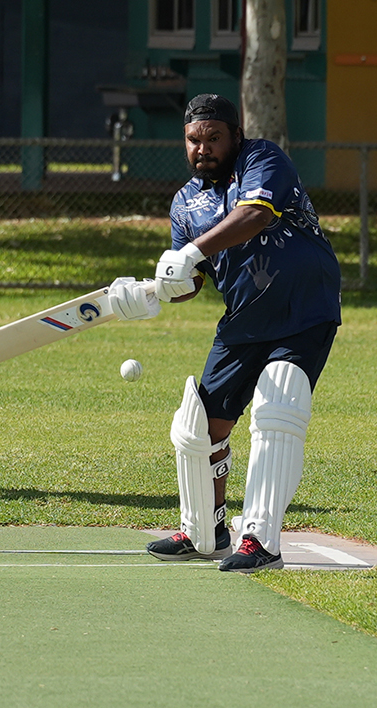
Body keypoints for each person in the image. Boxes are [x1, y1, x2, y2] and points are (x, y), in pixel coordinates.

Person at [109, 94, 342, 574]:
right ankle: (204, 531)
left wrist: (191, 252)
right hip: (244, 320)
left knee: (277, 406)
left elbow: (256, 214)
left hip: (304, 307)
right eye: (194, 139)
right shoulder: (184, 202)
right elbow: (189, 279)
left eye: (214, 137)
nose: (203, 148)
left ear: (236, 135)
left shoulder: (262, 159)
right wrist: (155, 292)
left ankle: (261, 540)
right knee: (197, 426)